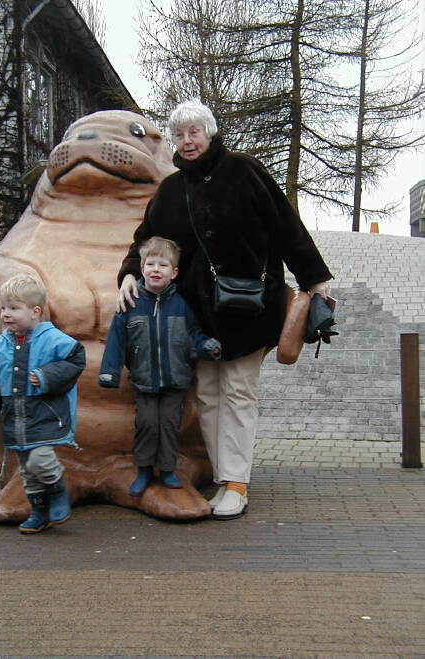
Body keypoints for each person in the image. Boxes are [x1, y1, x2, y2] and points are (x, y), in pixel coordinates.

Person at [117, 99, 333, 520]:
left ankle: (237, 482)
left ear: (209, 133)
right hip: (198, 313)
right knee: (210, 396)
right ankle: (222, 477)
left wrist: (314, 278)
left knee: (237, 391)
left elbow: (285, 225)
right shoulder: (171, 190)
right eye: (179, 135)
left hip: (250, 307)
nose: (187, 141)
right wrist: (129, 272)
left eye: (194, 132)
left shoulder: (244, 170)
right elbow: (148, 238)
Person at [99, 236, 221, 496]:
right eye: (151, 264)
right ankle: (143, 469)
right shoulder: (130, 303)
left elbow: (193, 335)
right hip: (144, 380)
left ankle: (167, 470)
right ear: (141, 270)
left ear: (174, 272)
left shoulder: (182, 305)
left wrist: (208, 346)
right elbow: (116, 339)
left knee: (168, 425)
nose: (156, 269)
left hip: (175, 380)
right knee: (146, 425)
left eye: (163, 265)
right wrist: (109, 372)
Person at [0, 274, 86, 534]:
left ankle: (59, 491)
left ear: (35, 312)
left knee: (42, 460)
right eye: (3, 308)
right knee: (27, 471)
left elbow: (76, 360)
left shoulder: (53, 339)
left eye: (14, 308)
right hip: (16, 418)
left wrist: (47, 376)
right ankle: (38, 513)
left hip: (45, 414)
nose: (5, 314)